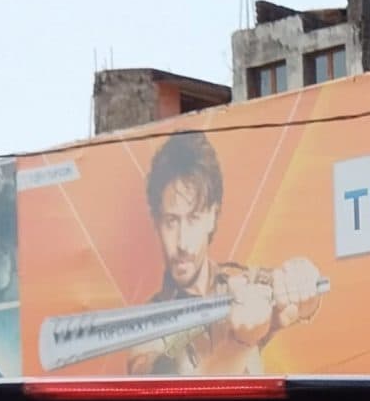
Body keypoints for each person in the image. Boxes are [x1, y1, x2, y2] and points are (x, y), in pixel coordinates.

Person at [128, 131, 326, 375]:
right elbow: (171, 396)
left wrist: (303, 283)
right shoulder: (145, 324)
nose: (182, 243)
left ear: (212, 216)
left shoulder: (240, 282)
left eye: (193, 218)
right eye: (171, 221)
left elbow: (295, 298)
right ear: (157, 222)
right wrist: (239, 343)